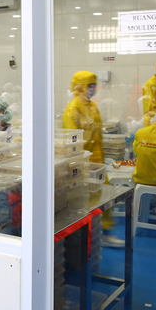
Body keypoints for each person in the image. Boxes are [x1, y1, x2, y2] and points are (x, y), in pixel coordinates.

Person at [62, 71, 122, 246]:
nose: (93, 89)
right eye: (90, 85)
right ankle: (88, 238)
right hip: (83, 163)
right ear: (80, 86)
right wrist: (82, 162)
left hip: (97, 161)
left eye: (94, 85)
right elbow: (72, 140)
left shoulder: (92, 106)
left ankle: (104, 232)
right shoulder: (73, 109)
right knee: (86, 201)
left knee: (104, 195)